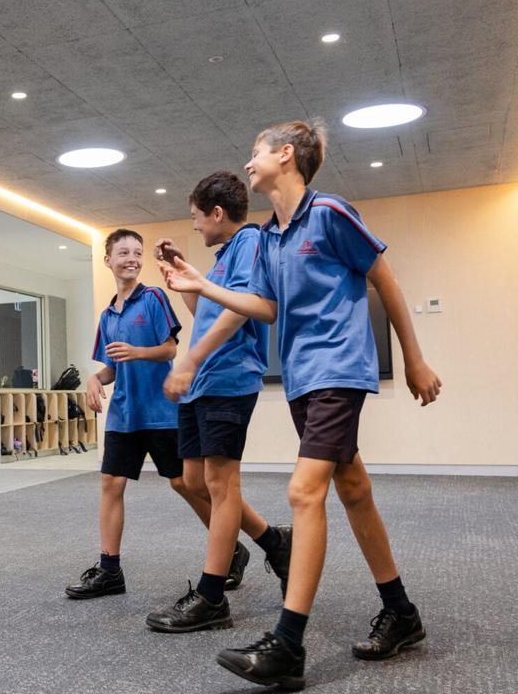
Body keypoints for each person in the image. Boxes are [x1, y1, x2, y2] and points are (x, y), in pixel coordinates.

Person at [161, 119, 441, 690]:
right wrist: (200, 284)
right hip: (302, 379)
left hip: (340, 368)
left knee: (302, 490)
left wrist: (413, 358)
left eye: (255, 151)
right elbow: (261, 308)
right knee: (352, 486)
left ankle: (288, 644)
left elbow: (383, 278)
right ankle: (402, 612)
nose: (247, 163)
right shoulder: (270, 237)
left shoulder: (330, 214)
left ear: (286, 156)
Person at [143, 174, 292, 634]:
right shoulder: (225, 255)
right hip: (201, 382)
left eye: (196, 219)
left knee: (221, 482)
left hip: (228, 378)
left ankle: (210, 598)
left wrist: (190, 360)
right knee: (192, 480)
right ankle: (274, 541)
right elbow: (204, 311)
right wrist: (181, 275)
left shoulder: (249, 243)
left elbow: (239, 310)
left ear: (217, 214)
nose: (195, 227)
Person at [65, 229, 195, 599]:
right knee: (112, 484)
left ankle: (230, 549)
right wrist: (94, 378)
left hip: (162, 412)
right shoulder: (107, 315)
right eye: (123, 252)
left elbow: (170, 350)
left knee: (185, 484)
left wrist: (137, 353)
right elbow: (111, 366)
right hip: (124, 413)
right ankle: (110, 571)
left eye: (137, 252)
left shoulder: (153, 298)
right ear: (107, 260)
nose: (132, 258)